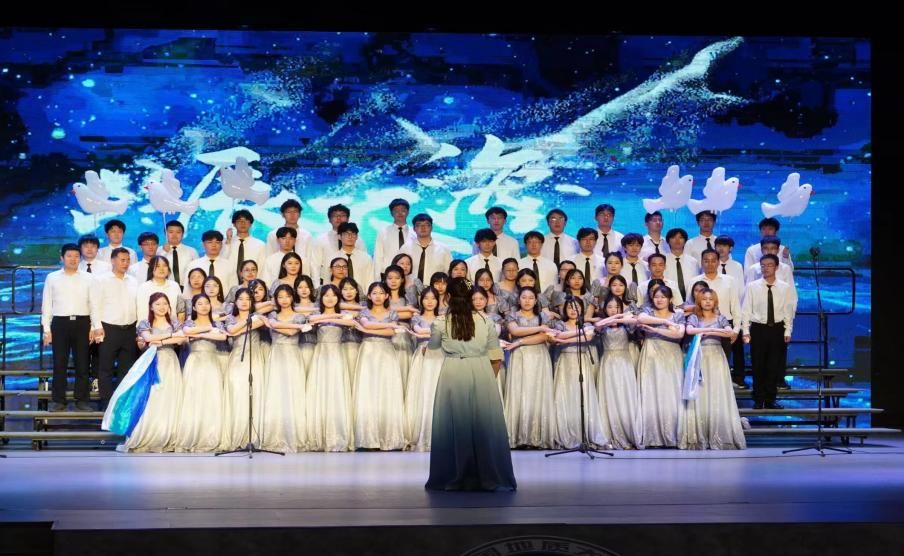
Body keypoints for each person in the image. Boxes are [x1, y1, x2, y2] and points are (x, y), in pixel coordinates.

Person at [425, 277, 516, 492]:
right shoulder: (485, 321)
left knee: (456, 425)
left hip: (454, 370)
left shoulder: (441, 322)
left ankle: (456, 476)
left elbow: (433, 346)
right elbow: (496, 355)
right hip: (482, 370)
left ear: (448, 297)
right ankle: (487, 476)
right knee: (483, 425)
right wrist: (489, 379)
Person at [41, 243, 99, 412]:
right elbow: (47, 304)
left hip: (82, 323)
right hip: (60, 323)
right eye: (69, 256)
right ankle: (59, 400)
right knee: (60, 363)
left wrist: (94, 326)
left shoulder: (89, 278)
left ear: (80, 258)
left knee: (83, 363)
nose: (73, 259)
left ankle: (82, 400)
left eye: (76, 256)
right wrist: (46, 329)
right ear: (62, 258)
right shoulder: (52, 277)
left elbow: (94, 304)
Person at [741, 254, 797, 410]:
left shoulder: (784, 287)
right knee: (758, 365)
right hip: (758, 328)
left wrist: (788, 330)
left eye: (769, 265)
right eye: (763, 265)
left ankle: (771, 399)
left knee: (774, 366)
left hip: (778, 329)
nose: (765, 268)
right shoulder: (752, 286)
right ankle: (759, 400)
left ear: (776, 267)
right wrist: (745, 330)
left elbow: (788, 311)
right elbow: (746, 310)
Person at [93, 247, 138, 410]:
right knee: (106, 367)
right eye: (122, 260)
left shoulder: (133, 281)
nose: (125, 263)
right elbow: (95, 305)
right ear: (113, 260)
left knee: (126, 368)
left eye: (128, 260)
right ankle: (106, 403)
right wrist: (97, 327)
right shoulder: (101, 280)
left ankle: (121, 403)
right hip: (108, 328)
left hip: (130, 329)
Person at [401, 213, 452, 285]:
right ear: (414, 229)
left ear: (431, 228)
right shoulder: (406, 248)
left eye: (426, 225)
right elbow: (398, 271)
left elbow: (449, 272)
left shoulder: (443, 249)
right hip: (410, 289)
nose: (423, 227)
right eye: (419, 225)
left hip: (435, 290)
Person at [373, 198, 417, 280]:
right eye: (396, 210)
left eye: (403, 210)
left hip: (409, 276)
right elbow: (378, 256)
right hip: (388, 275)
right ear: (391, 213)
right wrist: (377, 278)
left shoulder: (415, 233)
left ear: (408, 212)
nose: (400, 213)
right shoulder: (383, 232)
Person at [158, 219, 198, 288]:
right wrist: (164, 252)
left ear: (183, 234)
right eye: (171, 232)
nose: (174, 235)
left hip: (187, 288)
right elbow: (155, 269)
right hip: (165, 288)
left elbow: (198, 271)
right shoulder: (158, 251)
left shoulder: (191, 251)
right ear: (165, 234)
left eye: (178, 232)